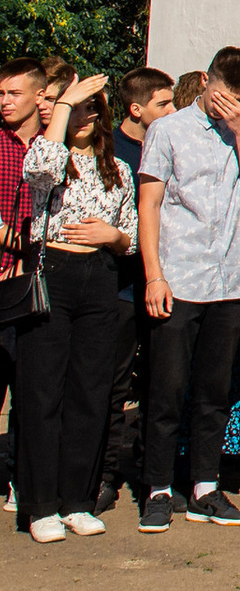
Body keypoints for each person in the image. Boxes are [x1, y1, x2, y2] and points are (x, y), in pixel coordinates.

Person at [135, 48, 240, 531]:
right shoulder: (167, 130)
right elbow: (148, 205)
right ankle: (157, 488)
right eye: (220, 94)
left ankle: (205, 488)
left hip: (232, 277)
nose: (225, 104)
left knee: (215, 390)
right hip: (180, 275)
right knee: (167, 388)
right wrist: (154, 274)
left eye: (237, 98)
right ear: (205, 81)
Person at [14, 74, 139, 541]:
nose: (84, 116)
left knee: (91, 392)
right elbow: (38, 169)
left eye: (91, 108)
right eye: (76, 109)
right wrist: (62, 103)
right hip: (53, 274)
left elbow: (129, 236)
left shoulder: (118, 170)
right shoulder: (49, 154)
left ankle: (76, 500)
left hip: (100, 278)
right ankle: (40, 505)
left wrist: (114, 237)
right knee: (44, 392)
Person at [91, 68, 176, 514]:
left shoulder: (173, 145)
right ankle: (104, 475)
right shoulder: (112, 151)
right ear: (136, 109)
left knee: (161, 385)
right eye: (164, 104)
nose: (172, 112)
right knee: (113, 385)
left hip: (167, 285)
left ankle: (154, 476)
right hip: (123, 289)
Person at [1, 55, 49, 513]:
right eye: (1, 93)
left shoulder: (50, 146)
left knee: (29, 388)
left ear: (39, 96)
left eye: (14, 93)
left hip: (33, 283)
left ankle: (19, 474)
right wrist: (16, 243)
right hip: (2, 274)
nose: (5, 101)